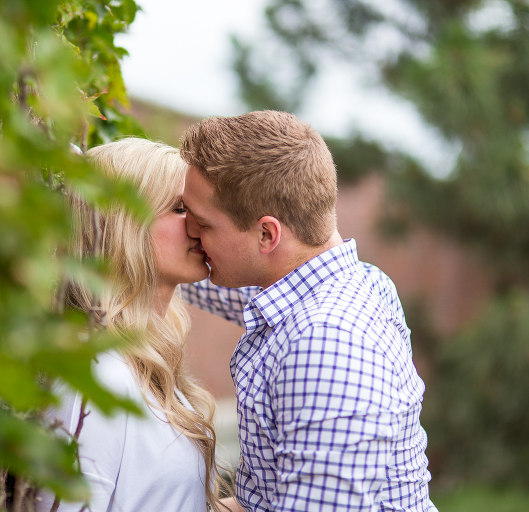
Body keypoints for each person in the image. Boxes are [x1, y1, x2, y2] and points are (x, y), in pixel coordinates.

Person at [179, 111, 437, 512]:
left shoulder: (329, 342)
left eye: (203, 224)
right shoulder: (328, 286)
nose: (191, 233)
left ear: (267, 234)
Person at [39, 138, 225, 512]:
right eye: (180, 208)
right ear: (124, 224)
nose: (200, 224)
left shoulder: (142, 363)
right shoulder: (94, 377)